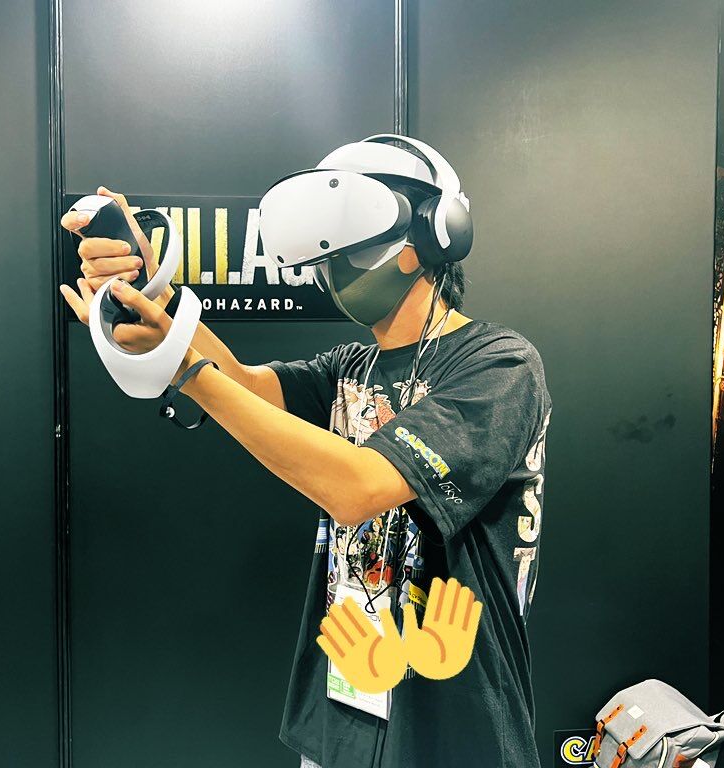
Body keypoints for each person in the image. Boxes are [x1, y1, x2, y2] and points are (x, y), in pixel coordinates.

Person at [59, 136, 551, 768]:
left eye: (355, 238)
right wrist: (156, 296)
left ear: (436, 233)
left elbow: (359, 487)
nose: (335, 262)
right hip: (346, 703)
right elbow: (242, 385)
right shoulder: (351, 365)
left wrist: (183, 363)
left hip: (455, 720)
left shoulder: (500, 365)